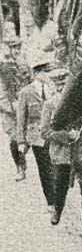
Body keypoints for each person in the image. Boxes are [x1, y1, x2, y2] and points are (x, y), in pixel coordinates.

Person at [40, 67, 82, 237]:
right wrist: (66, 136)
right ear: (54, 86)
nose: (63, 88)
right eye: (59, 84)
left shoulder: (81, 100)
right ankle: (57, 210)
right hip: (63, 153)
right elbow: (45, 132)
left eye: (66, 84)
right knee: (61, 186)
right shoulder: (50, 104)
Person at [16, 55, 54, 211]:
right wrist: (21, 141)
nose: (48, 74)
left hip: (54, 134)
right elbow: (21, 118)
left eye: (48, 70)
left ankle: (58, 194)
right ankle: (51, 201)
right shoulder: (26, 92)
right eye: (45, 71)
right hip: (37, 137)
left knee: (57, 166)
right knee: (45, 169)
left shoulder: (54, 89)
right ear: (37, 73)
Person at [0, 37, 31, 180]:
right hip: (8, 107)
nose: (16, 51)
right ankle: (20, 167)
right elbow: (4, 87)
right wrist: (8, 102)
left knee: (28, 137)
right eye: (14, 48)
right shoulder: (4, 65)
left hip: (24, 105)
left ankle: (22, 160)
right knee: (13, 138)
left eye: (18, 48)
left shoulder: (25, 63)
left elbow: (29, 81)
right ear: (9, 49)